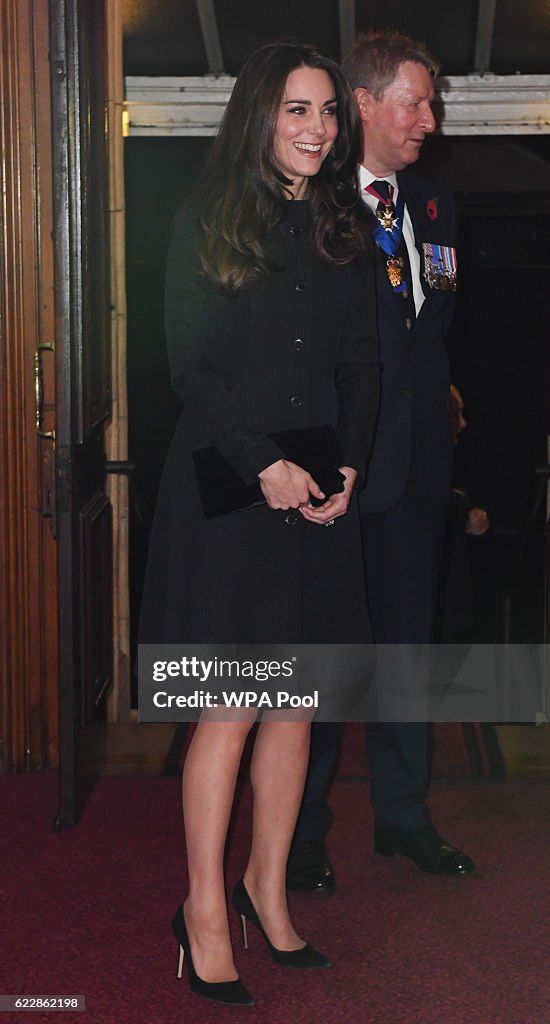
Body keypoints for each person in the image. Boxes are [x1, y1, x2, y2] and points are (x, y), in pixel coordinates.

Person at [138, 41, 379, 1006]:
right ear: (257, 117)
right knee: (231, 707)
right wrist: (264, 464)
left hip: (318, 478)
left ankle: (266, 892)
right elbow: (189, 368)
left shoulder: (341, 222)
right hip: (228, 480)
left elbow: (363, 361)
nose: (318, 128)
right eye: (297, 111)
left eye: (326, 112)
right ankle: (203, 912)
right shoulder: (204, 217)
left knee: (298, 704)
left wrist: (348, 463)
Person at [287, 30, 477, 893]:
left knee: (407, 652)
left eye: (430, 104)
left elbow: (425, 340)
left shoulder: (434, 209)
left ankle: (404, 818)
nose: (428, 121)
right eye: (415, 102)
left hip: (417, 471)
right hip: (335, 471)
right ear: (363, 103)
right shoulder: (306, 207)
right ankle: (302, 829)